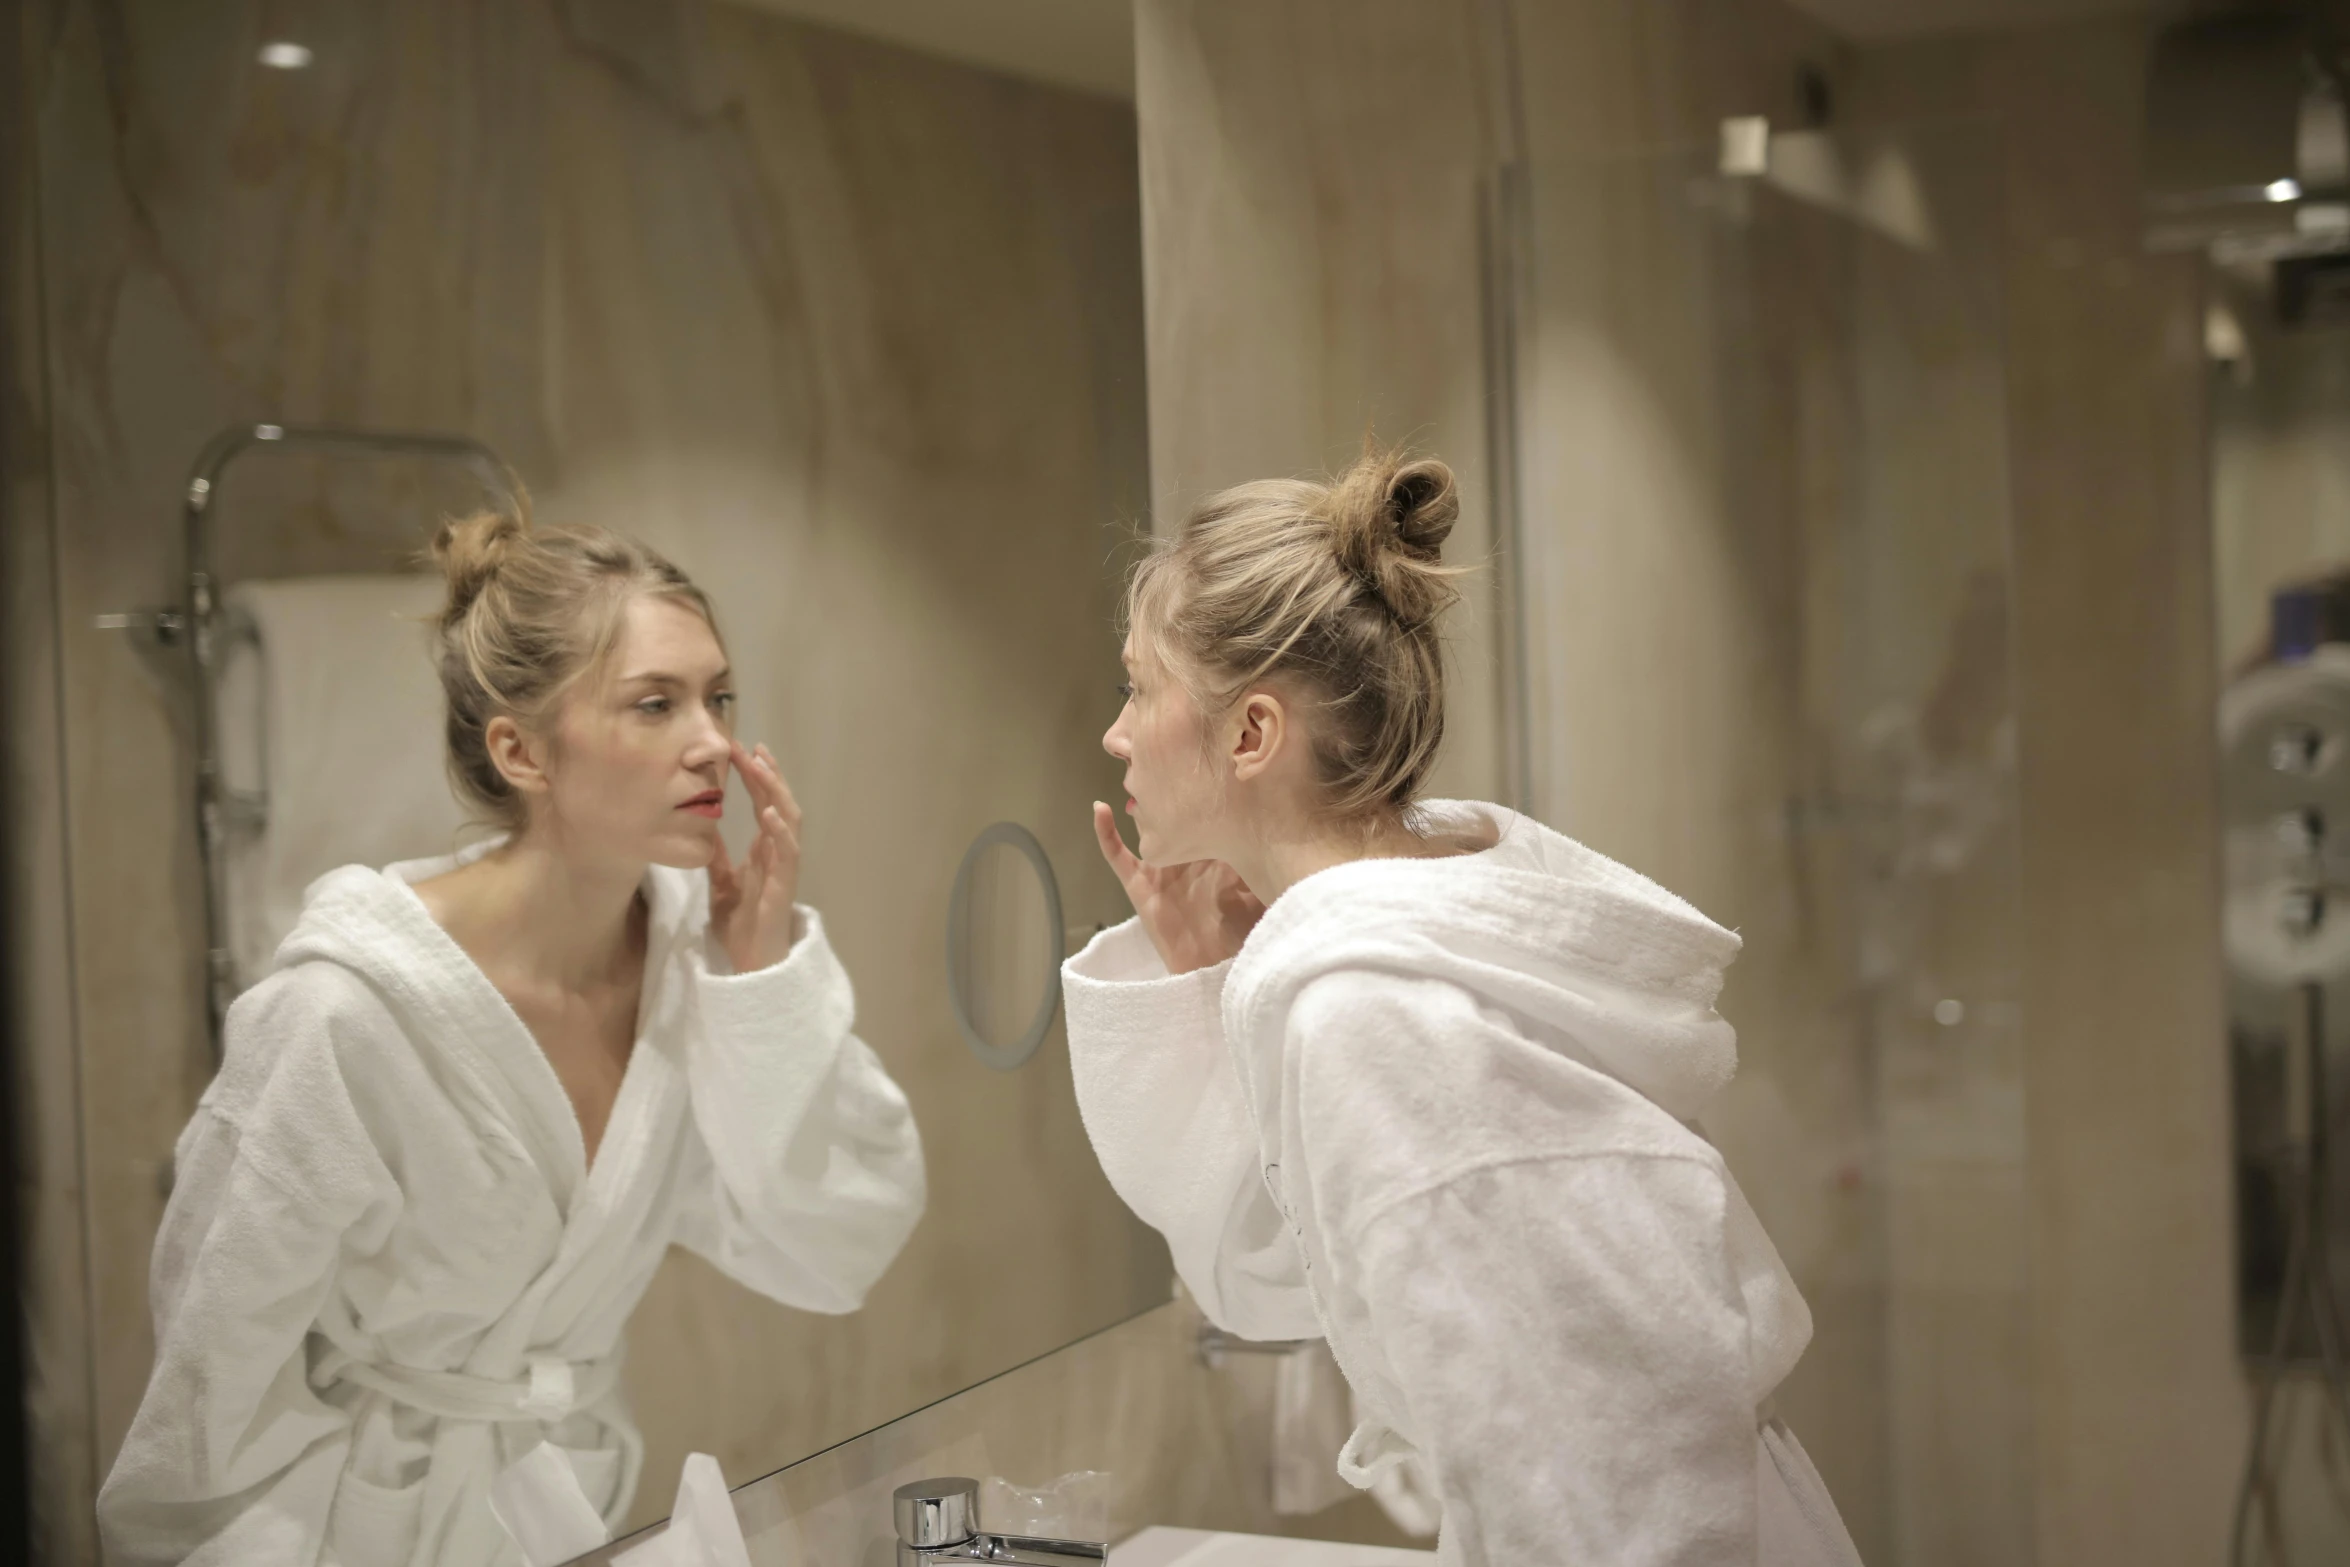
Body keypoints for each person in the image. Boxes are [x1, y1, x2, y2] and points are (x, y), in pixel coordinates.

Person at [1062, 447, 1863, 1567]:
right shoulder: (1397, 961)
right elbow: (1276, 1273)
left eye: (1137, 686)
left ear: (1250, 734)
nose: (1115, 732)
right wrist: (1206, 979)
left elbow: (1600, 1477)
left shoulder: (1374, 1013)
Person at [97, 512, 926, 1567]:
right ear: (520, 748)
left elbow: (841, 1242)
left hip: (569, 1512)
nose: (713, 738)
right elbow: (204, 1419)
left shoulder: (693, 970)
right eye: (655, 703)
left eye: (718, 696)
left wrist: (761, 978)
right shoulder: (342, 1015)